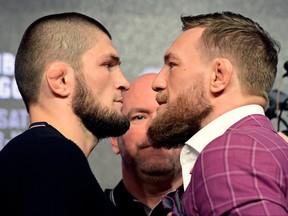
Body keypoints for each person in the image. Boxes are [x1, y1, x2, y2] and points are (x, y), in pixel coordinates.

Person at [148, 11, 288, 215]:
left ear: (218, 76)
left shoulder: (232, 152)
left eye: (172, 65)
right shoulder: (259, 145)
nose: (157, 82)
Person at [0, 12, 130, 216]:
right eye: (107, 65)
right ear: (61, 80)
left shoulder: (37, 155)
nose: (124, 82)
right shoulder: (47, 155)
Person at [106, 72, 183, 216]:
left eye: (167, 116)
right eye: (139, 117)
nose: (155, 127)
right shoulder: (88, 209)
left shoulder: (215, 206)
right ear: (115, 139)